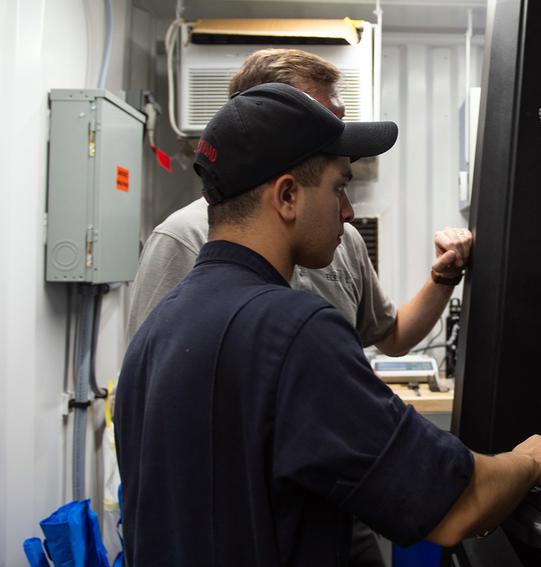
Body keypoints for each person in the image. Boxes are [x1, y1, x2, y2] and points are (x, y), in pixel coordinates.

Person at [114, 82, 541, 567]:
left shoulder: (157, 331)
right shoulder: (292, 330)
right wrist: (529, 463)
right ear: (286, 196)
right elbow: (455, 505)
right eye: (339, 188)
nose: (347, 213)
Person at [126, 48, 472, 358]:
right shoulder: (183, 238)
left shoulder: (343, 240)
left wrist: (443, 276)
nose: (338, 139)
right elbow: (152, 380)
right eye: (320, 120)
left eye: (338, 122)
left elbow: (391, 336)